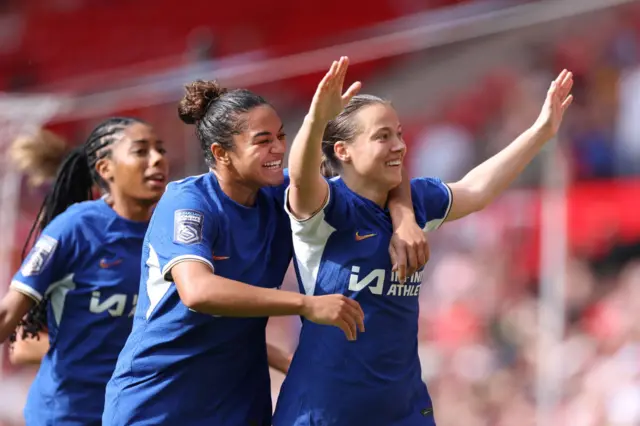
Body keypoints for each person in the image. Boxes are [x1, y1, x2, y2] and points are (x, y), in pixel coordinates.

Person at [103, 80, 428, 426]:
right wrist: (306, 304)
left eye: (280, 137)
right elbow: (198, 291)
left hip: (238, 404)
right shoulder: (188, 202)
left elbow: (379, 167)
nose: (278, 149)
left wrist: (404, 218)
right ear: (220, 153)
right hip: (159, 403)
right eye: (263, 141)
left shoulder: (283, 194)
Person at [273, 57, 573, 425]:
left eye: (398, 133)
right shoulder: (326, 210)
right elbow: (301, 178)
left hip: (403, 408)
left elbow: (476, 190)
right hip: (326, 412)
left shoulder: (416, 200)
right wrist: (316, 119)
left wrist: (540, 132)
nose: (399, 145)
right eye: (383, 136)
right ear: (342, 151)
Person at [0, 117, 169, 426]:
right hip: (68, 416)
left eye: (161, 150)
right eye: (141, 151)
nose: (157, 159)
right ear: (106, 169)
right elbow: (14, 327)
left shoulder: (169, 234)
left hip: (137, 414)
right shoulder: (76, 228)